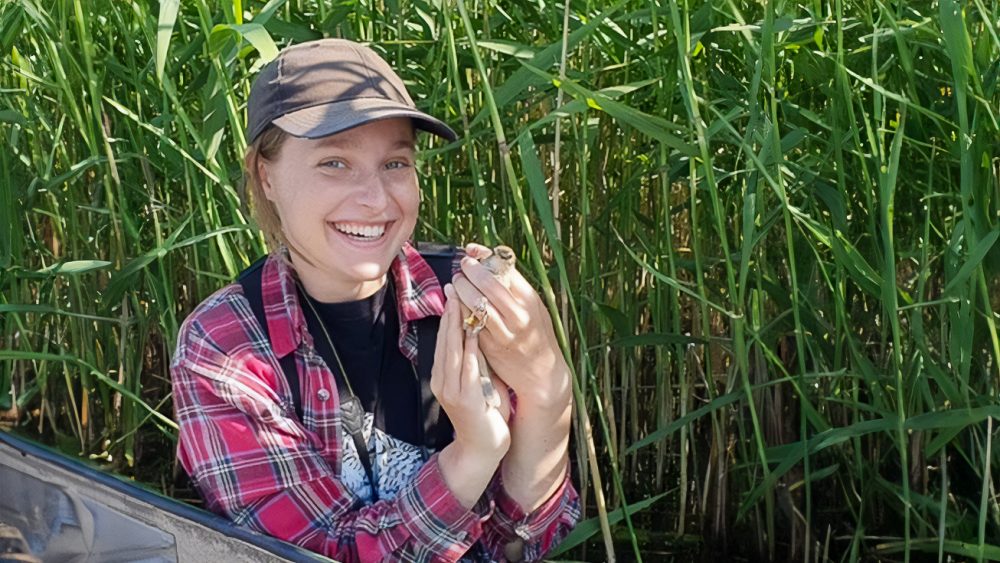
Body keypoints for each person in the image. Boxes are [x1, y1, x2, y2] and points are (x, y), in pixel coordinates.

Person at [170, 38, 579, 562]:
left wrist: (547, 390)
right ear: (265, 176)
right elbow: (326, 551)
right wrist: (473, 453)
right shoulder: (225, 349)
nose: (377, 200)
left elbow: (524, 544)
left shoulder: (465, 294)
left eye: (395, 164)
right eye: (335, 163)